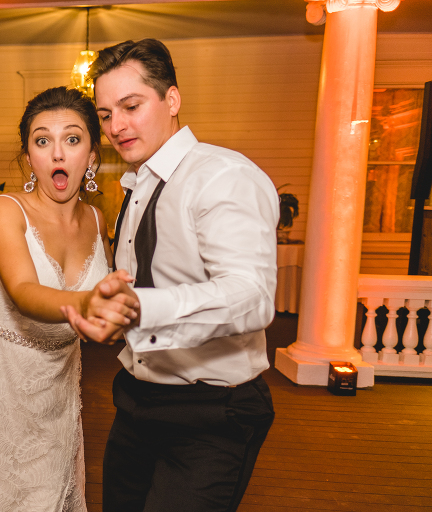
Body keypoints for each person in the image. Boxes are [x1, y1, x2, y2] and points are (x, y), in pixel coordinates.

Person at [62, 39, 279, 512]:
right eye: (105, 114)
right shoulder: (138, 184)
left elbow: (251, 296)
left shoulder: (222, 176)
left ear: (172, 100)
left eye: (131, 106)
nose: (116, 127)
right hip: (135, 402)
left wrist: (140, 308)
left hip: (211, 416)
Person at [0, 86, 138, 512]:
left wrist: (120, 316)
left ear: (92, 157)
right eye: (43, 141)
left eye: (72, 139)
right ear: (28, 159)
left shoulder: (97, 219)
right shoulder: (5, 210)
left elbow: (108, 299)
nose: (57, 153)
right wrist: (87, 304)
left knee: (50, 493)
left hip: (58, 385)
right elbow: (24, 291)